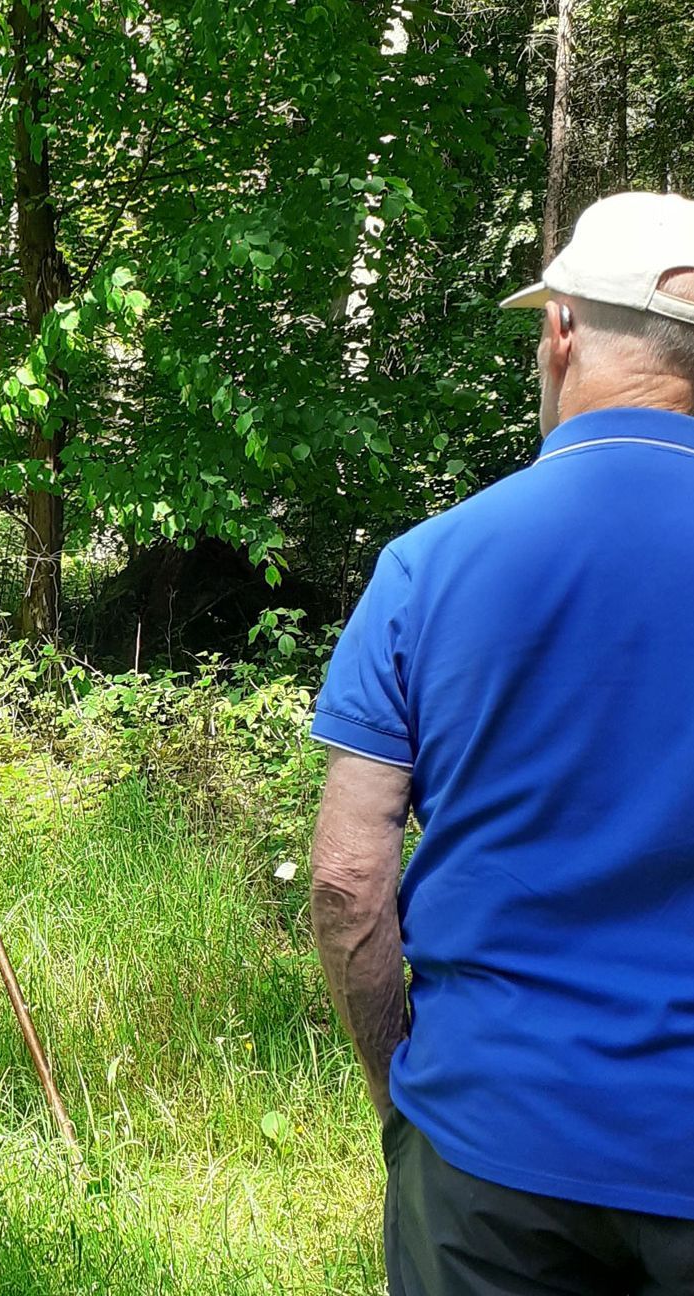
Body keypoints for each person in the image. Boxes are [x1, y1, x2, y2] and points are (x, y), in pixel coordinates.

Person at [308, 190, 694, 1294]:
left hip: (488, 1141)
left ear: (563, 328)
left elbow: (346, 877)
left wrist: (402, 1095)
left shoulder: (431, 563)